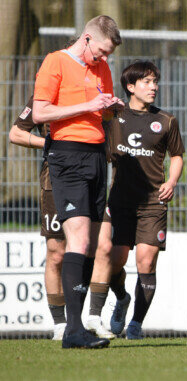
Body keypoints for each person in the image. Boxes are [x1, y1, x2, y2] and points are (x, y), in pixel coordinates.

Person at [32, 15, 123, 349]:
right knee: (79, 240)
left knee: (91, 246)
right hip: (67, 155)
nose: (103, 59)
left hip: (97, 155)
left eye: (108, 55)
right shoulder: (56, 61)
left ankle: (77, 327)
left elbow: (103, 113)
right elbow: (41, 113)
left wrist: (112, 108)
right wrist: (88, 105)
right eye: (100, 52)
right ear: (86, 39)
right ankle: (72, 330)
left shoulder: (101, 68)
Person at [83, 60, 184, 340]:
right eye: (147, 82)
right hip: (120, 202)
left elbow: (177, 155)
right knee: (114, 260)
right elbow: (99, 148)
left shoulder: (166, 120)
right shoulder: (115, 117)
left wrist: (171, 182)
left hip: (154, 202)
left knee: (146, 262)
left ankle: (137, 324)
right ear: (130, 87)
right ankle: (122, 299)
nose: (154, 87)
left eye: (155, 82)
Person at [9, 98, 67, 340]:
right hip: (53, 179)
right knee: (56, 251)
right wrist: (48, 143)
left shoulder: (89, 91)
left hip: (87, 177)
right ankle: (61, 323)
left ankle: (91, 315)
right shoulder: (42, 99)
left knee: (91, 249)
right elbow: (16, 133)